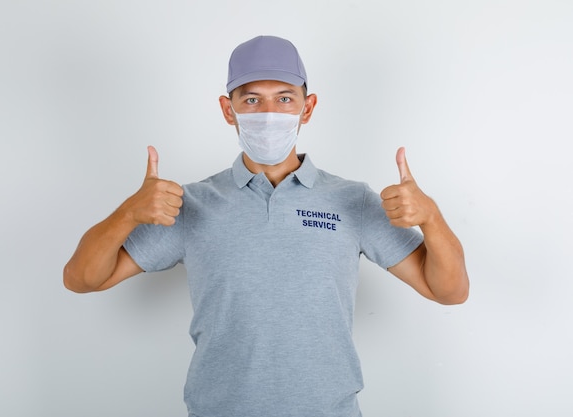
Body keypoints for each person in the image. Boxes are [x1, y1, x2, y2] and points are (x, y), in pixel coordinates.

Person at [64, 35, 469, 417]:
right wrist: (128, 213)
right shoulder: (190, 204)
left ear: (306, 108)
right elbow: (82, 279)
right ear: (229, 109)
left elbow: (449, 291)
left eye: (285, 98)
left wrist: (431, 218)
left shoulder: (353, 201)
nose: (269, 113)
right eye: (252, 99)